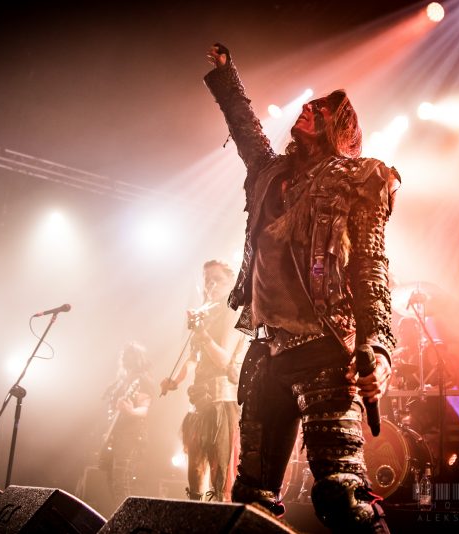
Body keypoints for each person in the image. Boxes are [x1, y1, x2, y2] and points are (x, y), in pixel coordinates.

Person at [203, 43, 400, 533]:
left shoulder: (360, 177)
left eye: (322, 108)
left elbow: (370, 265)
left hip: (327, 352)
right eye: (308, 104)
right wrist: (227, 77)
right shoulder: (270, 174)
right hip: (267, 352)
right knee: (249, 500)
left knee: (341, 495)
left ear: (340, 126)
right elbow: (246, 131)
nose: (308, 108)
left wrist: (378, 347)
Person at [160, 259, 247, 502]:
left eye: (217, 279)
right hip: (199, 401)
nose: (211, 285)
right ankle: (195, 514)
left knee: (219, 474)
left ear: (230, 283)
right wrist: (174, 381)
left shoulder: (233, 313)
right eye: (207, 280)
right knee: (195, 470)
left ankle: (219, 514)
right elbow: (193, 359)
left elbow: (223, 359)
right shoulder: (206, 314)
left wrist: (202, 332)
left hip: (221, 403)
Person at [99, 341, 155, 509]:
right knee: (113, 482)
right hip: (115, 437)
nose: (123, 357)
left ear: (135, 358)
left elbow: (144, 409)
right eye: (123, 355)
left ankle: (127, 520)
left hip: (130, 436)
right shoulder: (121, 381)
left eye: (127, 355)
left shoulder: (142, 380)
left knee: (122, 482)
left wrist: (130, 411)